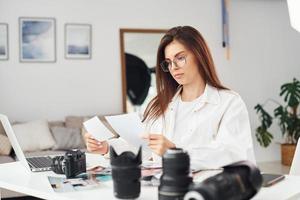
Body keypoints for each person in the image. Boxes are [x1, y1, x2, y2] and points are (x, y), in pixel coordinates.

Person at [85, 26, 255, 169]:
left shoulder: (229, 102)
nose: (173, 68)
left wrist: (175, 152)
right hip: (165, 188)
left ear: (199, 55)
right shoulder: (161, 104)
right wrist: (106, 147)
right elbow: (142, 145)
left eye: (180, 58)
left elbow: (232, 154)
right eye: (168, 62)